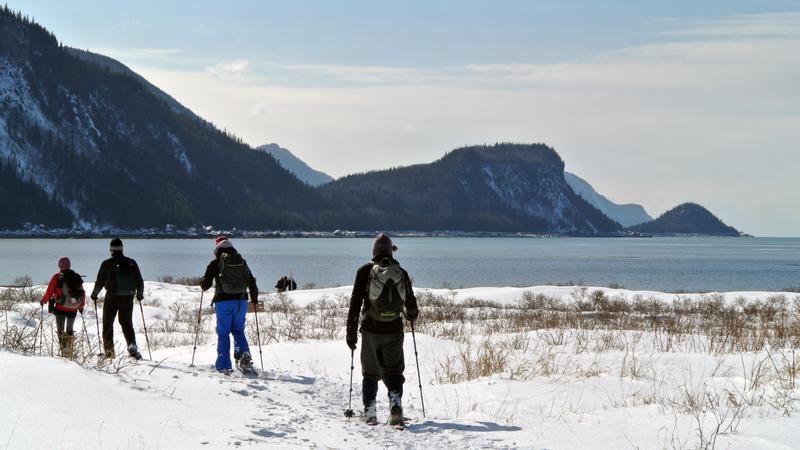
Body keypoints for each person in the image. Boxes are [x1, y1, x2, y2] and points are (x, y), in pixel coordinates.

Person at [346, 233, 419, 427]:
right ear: (390, 251)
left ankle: (370, 412)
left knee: (370, 371)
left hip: (371, 329)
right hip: (394, 329)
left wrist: (351, 332)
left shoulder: (364, 271)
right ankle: (395, 402)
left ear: (374, 251)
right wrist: (410, 315)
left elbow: (355, 304)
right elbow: (412, 308)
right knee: (394, 371)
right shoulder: (400, 272)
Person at [201, 236, 259, 374]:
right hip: (241, 301)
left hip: (223, 302)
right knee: (238, 330)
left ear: (217, 248)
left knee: (223, 333)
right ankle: (243, 355)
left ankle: (223, 365)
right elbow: (251, 281)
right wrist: (254, 298)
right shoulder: (242, 262)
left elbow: (205, 285)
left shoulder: (215, 263)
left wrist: (203, 281)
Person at [90, 238, 144, 360]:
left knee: (108, 325)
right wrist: (139, 295)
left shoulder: (106, 264)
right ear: (122, 249)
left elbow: (100, 282)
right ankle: (132, 348)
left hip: (112, 298)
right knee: (127, 324)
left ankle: (109, 352)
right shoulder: (131, 262)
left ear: (111, 250)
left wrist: (94, 294)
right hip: (128, 298)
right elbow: (139, 280)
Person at [41, 257, 86, 358]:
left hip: (60, 308)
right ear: (70, 265)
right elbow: (82, 292)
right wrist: (81, 305)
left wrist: (44, 301)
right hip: (74, 308)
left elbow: (49, 292)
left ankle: (64, 350)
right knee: (70, 329)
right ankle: (70, 350)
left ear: (59, 266)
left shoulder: (57, 277)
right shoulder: (76, 277)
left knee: (60, 330)